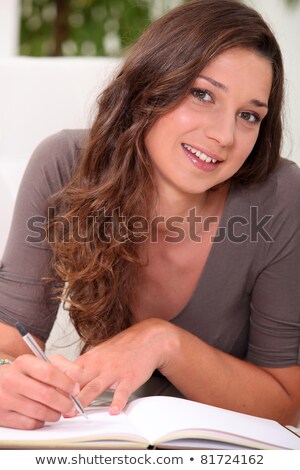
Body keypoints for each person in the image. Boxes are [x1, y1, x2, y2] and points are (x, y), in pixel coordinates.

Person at [0, 0, 300, 431]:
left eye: (249, 115)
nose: (224, 136)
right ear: (151, 84)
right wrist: (8, 376)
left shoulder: (279, 196)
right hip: (104, 436)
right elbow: (11, 333)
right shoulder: (64, 164)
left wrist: (165, 342)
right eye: (202, 94)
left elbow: (286, 403)